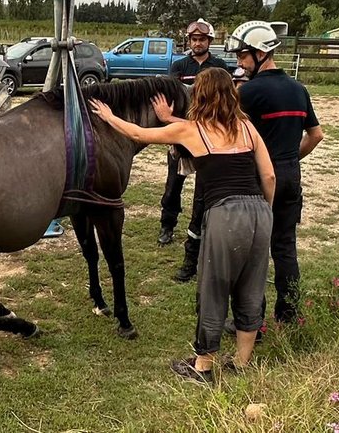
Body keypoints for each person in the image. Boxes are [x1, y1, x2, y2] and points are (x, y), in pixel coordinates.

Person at [91, 67, 276, 382]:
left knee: (213, 288)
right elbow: (269, 176)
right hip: (260, 210)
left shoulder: (193, 131)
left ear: (199, 96)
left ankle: (203, 367)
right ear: (231, 94)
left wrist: (108, 116)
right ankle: (243, 363)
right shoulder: (247, 128)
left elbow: (138, 134)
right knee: (251, 286)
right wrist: (265, 212)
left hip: (224, 213)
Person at [225, 20, 324, 325]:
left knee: (252, 253)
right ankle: (289, 314)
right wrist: (290, 160)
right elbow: (316, 135)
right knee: (284, 247)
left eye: (243, 55)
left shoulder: (249, 93)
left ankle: (252, 320)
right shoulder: (298, 89)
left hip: (259, 180)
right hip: (291, 178)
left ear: (259, 52)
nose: (239, 62)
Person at [160, 19, 228, 280]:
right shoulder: (179, 66)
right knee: (173, 183)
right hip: (182, 134)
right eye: (193, 39)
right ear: (189, 42)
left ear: (209, 41)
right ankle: (167, 224)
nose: (197, 43)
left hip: (209, 137)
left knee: (207, 187)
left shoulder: (219, 68)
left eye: (202, 39)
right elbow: (170, 99)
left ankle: (204, 228)